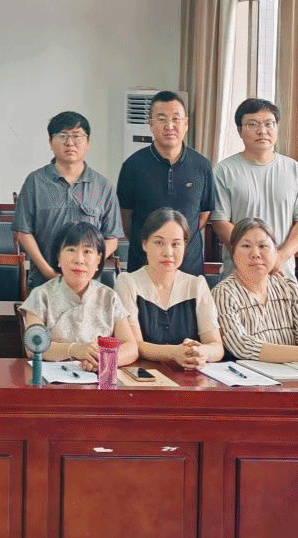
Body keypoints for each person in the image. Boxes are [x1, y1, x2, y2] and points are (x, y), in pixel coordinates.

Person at [13, 111, 122, 290]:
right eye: (62, 136)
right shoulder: (35, 182)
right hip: (44, 281)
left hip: (89, 284)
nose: (70, 142)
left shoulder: (103, 186)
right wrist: (49, 272)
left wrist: (88, 267)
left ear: (87, 143)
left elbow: (112, 237)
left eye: (77, 136)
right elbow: (23, 232)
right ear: (50, 142)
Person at [211, 98, 298, 282]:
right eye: (252, 124)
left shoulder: (295, 170)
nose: (262, 131)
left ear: (277, 128)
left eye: (269, 124)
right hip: (238, 276)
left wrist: (280, 256)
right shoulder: (223, 171)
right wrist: (256, 255)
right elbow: (220, 222)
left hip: (282, 274)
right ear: (240, 131)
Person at [212, 218, 298, 366]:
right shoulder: (224, 293)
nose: (255, 254)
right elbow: (241, 345)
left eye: (263, 246)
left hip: (294, 375)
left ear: (276, 250)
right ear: (233, 252)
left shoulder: (287, 287)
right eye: (246, 246)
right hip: (250, 376)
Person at [116, 91, 215, 275]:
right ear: (151, 124)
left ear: (186, 124)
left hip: (189, 270)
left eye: (176, 119)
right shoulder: (132, 166)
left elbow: (202, 215)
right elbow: (126, 219)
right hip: (143, 269)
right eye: (161, 119)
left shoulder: (202, 166)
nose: (169, 126)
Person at [19, 222, 138, 371]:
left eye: (87, 251)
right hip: (52, 380)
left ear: (98, 259)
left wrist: (102, 359)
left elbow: (131, 347)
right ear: (58, 257)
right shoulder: (40, 295)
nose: (79, 260)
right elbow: (33, 346)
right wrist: (75, 350)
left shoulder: (109, 297)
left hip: (97, 377)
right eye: (71, 250)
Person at [114, 208, 224, 368]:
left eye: (176, 244)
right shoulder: (127, 282)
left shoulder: (196, 285)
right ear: (144, 244)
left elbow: (217, 347)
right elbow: (135, 345)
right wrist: (174, 352)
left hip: (190, 375)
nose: (168, 252)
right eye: (159, 243)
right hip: (142, 376)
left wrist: (202, 352)